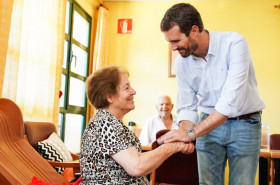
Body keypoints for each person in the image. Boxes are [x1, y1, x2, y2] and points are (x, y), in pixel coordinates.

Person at [158, 3, 265, 185]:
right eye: (169, 42)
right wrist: (184, 132)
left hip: (245, 123)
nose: (173, 48)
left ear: (194, 30)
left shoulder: (235, 44)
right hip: (207, 123)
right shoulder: (182, 64)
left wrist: (191, 133)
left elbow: (230, 103)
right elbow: (187, 106)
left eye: (176, 41)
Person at [80, 65, 194, 184]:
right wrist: (175, 146)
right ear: (109, 97)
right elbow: (137, 166)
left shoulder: (109, 122)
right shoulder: (104, 123)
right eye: (126, 88)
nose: (133, 91)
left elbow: (140, 167)